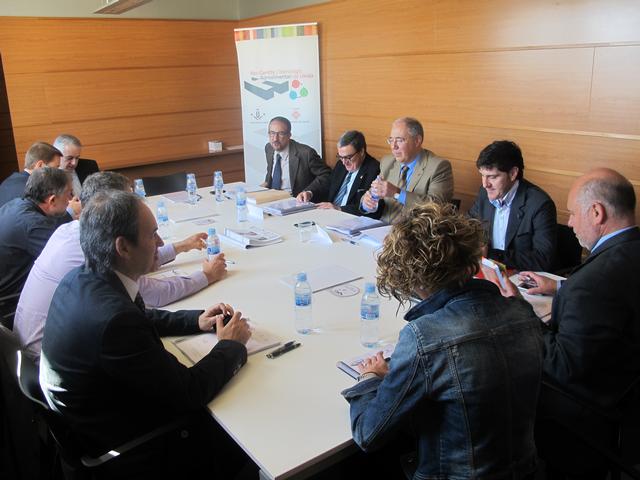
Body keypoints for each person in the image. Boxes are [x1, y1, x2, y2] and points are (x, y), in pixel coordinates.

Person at [40, 190, 253, 479]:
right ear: (123, 247)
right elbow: (190, 392)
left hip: (93, 420)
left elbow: (139, 317)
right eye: (153, 234)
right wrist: (231, 346)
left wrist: (196, 320)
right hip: (135, 449)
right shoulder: (115, 322)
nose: (161, 243)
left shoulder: (81, 278)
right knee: (246, 437)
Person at [342, 202, 542, 479]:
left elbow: (367, 434)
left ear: (411, 278)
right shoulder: (522, 311)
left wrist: (370, 377)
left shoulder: (423, 337)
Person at [493, 168, 640, 479]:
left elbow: (561, 366)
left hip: (590, 414)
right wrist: (562, 286)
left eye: (573, 213)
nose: (570, 223)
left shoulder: (592, 283)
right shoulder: (628, 251)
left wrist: (520, 310)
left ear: (597, 212)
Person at [14, 171, 228, 361]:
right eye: (129, 201)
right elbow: (154, 295)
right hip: (42, 356)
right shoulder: (94, 255)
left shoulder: (75, 232)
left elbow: (137, 255)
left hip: (42, 348)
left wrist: (180, 247)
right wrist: (206, 277)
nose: (137, 204)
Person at [468, 140, 557, 271]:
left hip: (521, 276)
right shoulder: (484, 193)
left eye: (492, 177)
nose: (485, 184)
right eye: (482, 175)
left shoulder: (540, 204)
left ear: (513, 173)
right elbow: (468, 226)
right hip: (487, 272)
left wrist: (491, 254)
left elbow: (543, 259)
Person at [360, 117, 454, 223]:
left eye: (399, 140)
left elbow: (436, 207)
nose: (393, 146)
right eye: (391, 140)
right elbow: (373, 193)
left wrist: (397, 193)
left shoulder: (438, 166)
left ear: (417, 141)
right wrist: (367, 203)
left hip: (415, 230)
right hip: (382, 228)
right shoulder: (387, 162)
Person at [0, 167, 72, 304]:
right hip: (10, 303)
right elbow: (67, 262)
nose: (70, 200)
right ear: (52, 200)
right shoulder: (35, 224)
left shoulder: (16, 204)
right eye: (69, 194)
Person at [263, 116, 331, 201]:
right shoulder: (269, 148)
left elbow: (326, 175)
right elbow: (271, 174)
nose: (275, 139)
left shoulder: (306, 153)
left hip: (295, 201)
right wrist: (262, 187)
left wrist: (309, 191)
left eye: (281, 134)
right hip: (271, 199)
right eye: (272, 133)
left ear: (289, 135)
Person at [315, 130, 380, 216]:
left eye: (348, 157)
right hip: (329, 214)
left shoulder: (374, 170)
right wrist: (310, 193)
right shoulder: (341, 164)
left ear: (361, 152)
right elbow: (328, 186)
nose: (344, 162)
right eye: (340, 157)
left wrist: (339, 209)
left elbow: (368, 208)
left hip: (350, 218)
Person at [0, 142, 62, 208]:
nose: (58, 172)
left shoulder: (6, 183)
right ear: (40, 165)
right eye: (56, 168)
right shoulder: (34, 191)